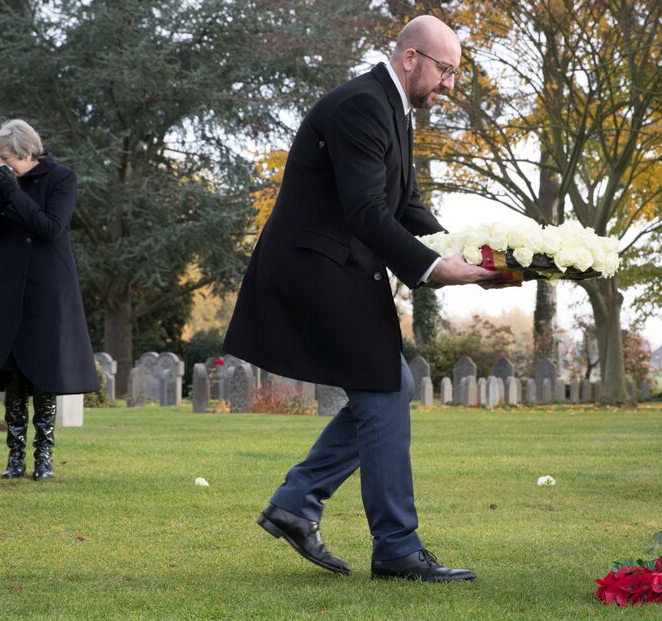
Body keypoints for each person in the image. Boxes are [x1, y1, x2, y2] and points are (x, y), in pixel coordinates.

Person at [223, 16, 497, 581]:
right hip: (316, 271)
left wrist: (478, 252)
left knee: (386, 391)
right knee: (384, 391)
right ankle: (394, 546)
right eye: (446, 71)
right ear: (410, 58)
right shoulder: (362, 105)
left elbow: (408, 206)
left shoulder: (393, 110)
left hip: (339, 271)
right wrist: (433, 267)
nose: (449, 86)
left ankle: (298, 503)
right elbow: (365, 211)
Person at [0, 119, 98, 481]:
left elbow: (50, 228)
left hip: (47, 288)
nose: (1, 165)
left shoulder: (62, 178)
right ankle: (14, 457)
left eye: (7, 158)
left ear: (27, 153)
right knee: (12, 373)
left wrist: (14, 194)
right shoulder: (6, 181)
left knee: (42, 371)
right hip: (8, 286)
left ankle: (43, 456)